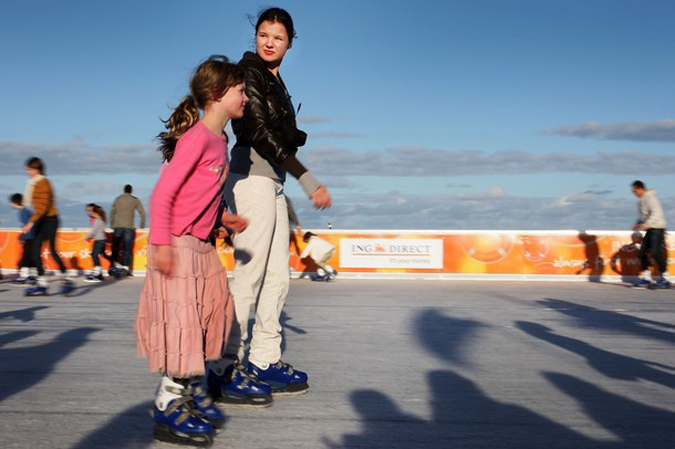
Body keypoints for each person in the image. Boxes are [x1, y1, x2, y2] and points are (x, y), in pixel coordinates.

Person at [213, 7, 332, 404]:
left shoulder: (276, 81)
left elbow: (281, 130)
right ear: (256, 37)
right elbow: (261, 132)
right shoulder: (249, 74)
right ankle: (225, 364)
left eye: (277, 37)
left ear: (289, 43)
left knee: (277, 277)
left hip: (272, 182)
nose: (269, 42)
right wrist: (306, 175)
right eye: (264, 34)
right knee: (249, 276)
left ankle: (263, 359)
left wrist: (294, 140)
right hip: (250, 179)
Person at [134, 55, 249, 446]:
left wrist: (222, 218)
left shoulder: (220, 140)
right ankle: (169, 403)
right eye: (240, 90)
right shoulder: (197, 137)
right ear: (218, 95)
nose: (245, 96)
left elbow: (197, 196)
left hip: (201, 245)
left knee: (212, 313)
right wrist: (163, 242)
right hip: (178, 243)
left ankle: (192, 389)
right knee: (184, 323)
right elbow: (164, 193)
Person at [21, 157, 73, 296]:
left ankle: (66, 278)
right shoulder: (33, 183)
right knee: (35, 251)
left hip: (50, 220)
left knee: (51, 250)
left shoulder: (43, 183)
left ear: (36, 170)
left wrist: (30, 222)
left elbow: (43, 207)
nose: (27, 171)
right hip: (41, 220)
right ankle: (42, 283)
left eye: (29, 169)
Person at [631, 180, 671, 289]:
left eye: (635, 191)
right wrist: (637, 224)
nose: (634, 193)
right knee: (642, 253)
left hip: (657, 228)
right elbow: (644, 216)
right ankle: (646, 278)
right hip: (650, 229)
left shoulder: (650, 198)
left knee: (655, 252)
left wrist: (646, 225)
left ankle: (665, 278)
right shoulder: (641, 200)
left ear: (640, 188)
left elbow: (656, 213)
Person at [109, 184, 146, 277]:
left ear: (124, 190)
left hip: (117, 226)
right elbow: (142, 212)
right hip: (129, 227)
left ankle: (112, 266)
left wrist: (111, 224)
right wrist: (142, 224)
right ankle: (125, 267)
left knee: (115, 248)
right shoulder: (134, 200)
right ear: (131, 191)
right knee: (127, 248)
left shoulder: (118, 199)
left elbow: (112, 212)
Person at [8, 193, 37, 285]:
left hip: (30, 237)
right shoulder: (26, 211)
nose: (11, 205)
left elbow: (28, 226)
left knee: (26, 257)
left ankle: (24, 276)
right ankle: (32, 275)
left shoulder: (23, 212)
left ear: (16, 203)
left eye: (12, 203)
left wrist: (22, 236)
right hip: (32, 237)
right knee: (31, 257)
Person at [83, 204, 112, 282]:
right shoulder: (99, 219)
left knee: (94, 254)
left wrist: (87, 237)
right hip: (100, 239)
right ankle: (99, 274)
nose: (88, 212)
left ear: (94, 211)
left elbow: (94, 231)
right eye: (87, 210)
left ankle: (97, 273)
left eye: (89, 210)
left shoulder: (98, 220)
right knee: (100, 254)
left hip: (100, 240)